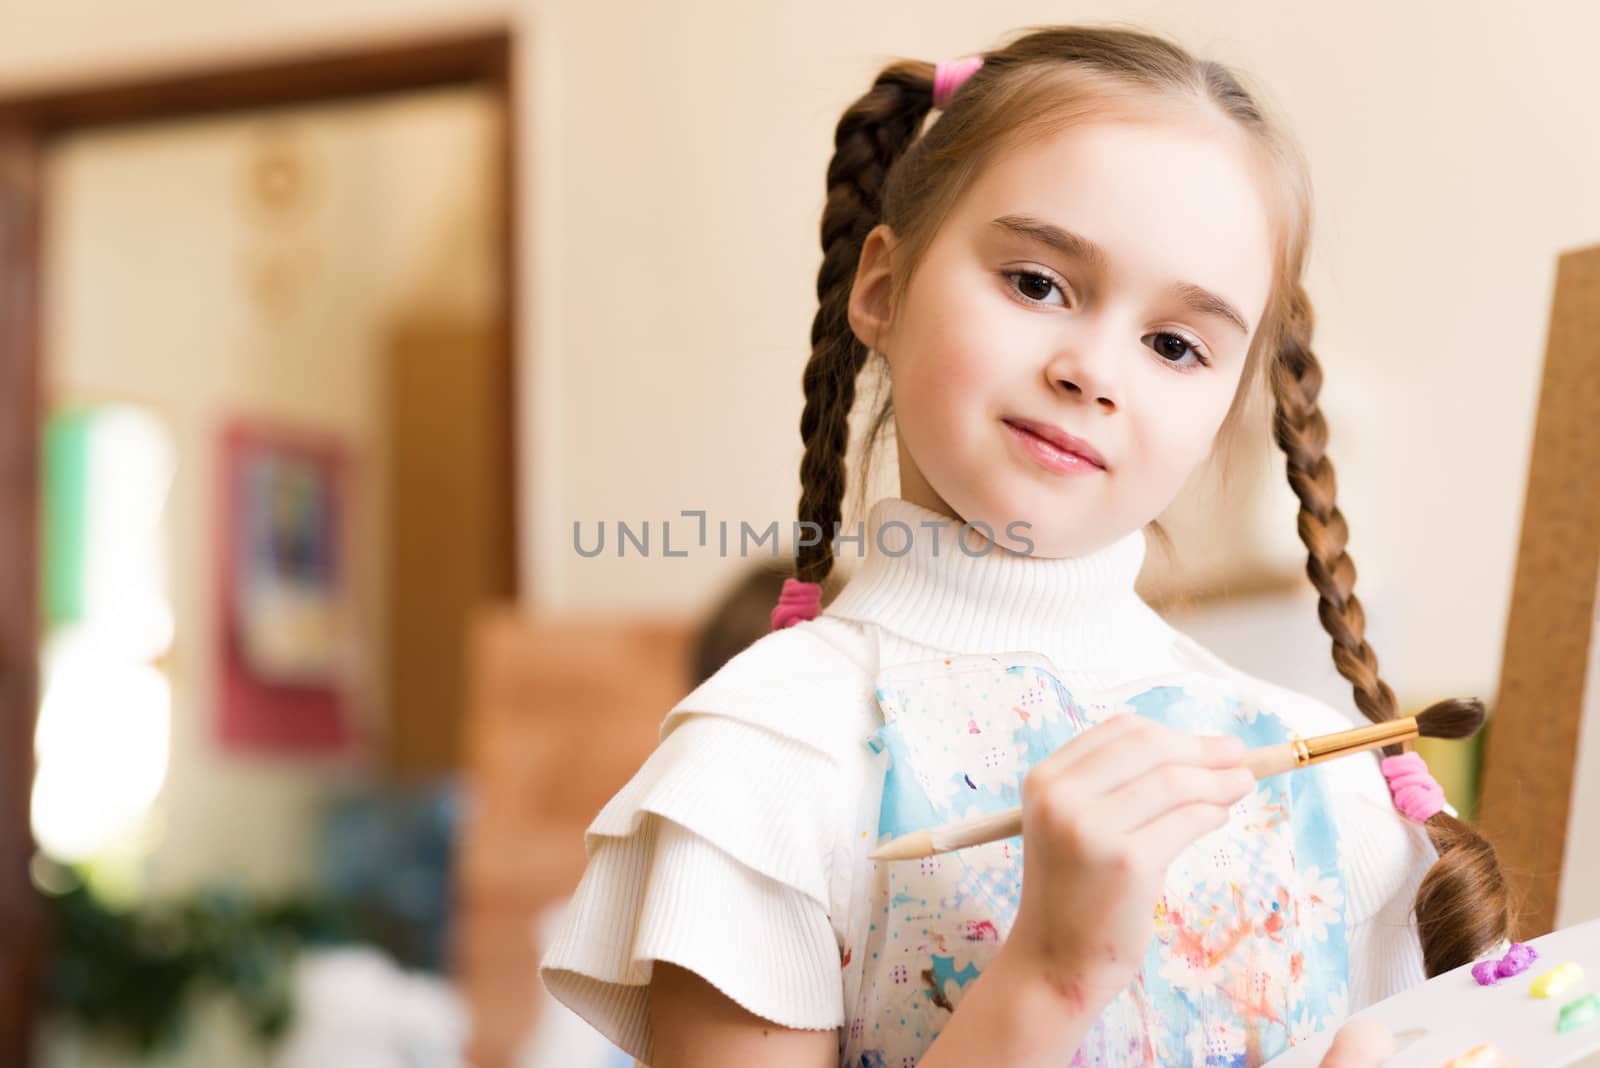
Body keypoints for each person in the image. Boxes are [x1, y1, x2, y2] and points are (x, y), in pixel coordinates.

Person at [539, 25, 1510, 1067]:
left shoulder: (1334, 790)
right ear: (881, 287)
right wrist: (1050, 974)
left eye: (1175, 345)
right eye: (1037, 283)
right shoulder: (761, 768)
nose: (1092, 370)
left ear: (1227, 405)